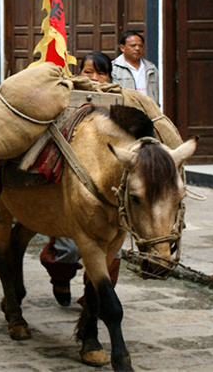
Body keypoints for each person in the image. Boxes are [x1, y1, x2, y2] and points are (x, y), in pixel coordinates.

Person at [40, 51, 121, 307]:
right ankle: (61, 279)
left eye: (101, 72)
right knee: (68, 248)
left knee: (112, 250)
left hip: (107, 191)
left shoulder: (120, 105)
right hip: (72, 185)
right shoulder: (67, 101)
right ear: (79, 74)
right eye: (89, 72)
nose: (95, 78)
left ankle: (94, 297)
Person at [112, 31, 159, 106]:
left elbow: (156, 93)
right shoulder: (114, 68)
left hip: (148, 111)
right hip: (126, 112)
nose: (137, 48)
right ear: (122, 48)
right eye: (133, 45)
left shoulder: (151, 68)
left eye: (140, 46)